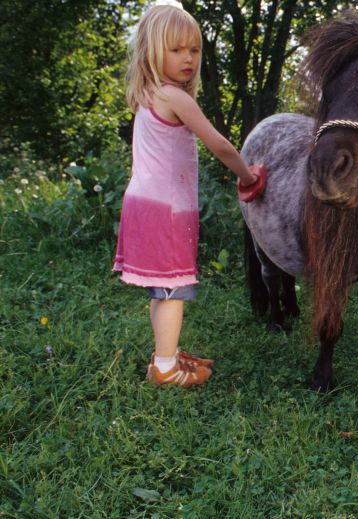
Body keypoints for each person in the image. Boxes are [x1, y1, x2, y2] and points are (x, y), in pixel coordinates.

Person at [113, 4, 266, 388]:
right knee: (172, 288)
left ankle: (165, 353)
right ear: (152, 50)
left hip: (146, 204)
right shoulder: (175, 98)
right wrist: (248, 176)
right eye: (176, 49)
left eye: (194, 50)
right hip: (164, 209)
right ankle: (164, 369)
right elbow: (220, 145)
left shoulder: (148, 94)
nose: (188, 58)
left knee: (162, 286)